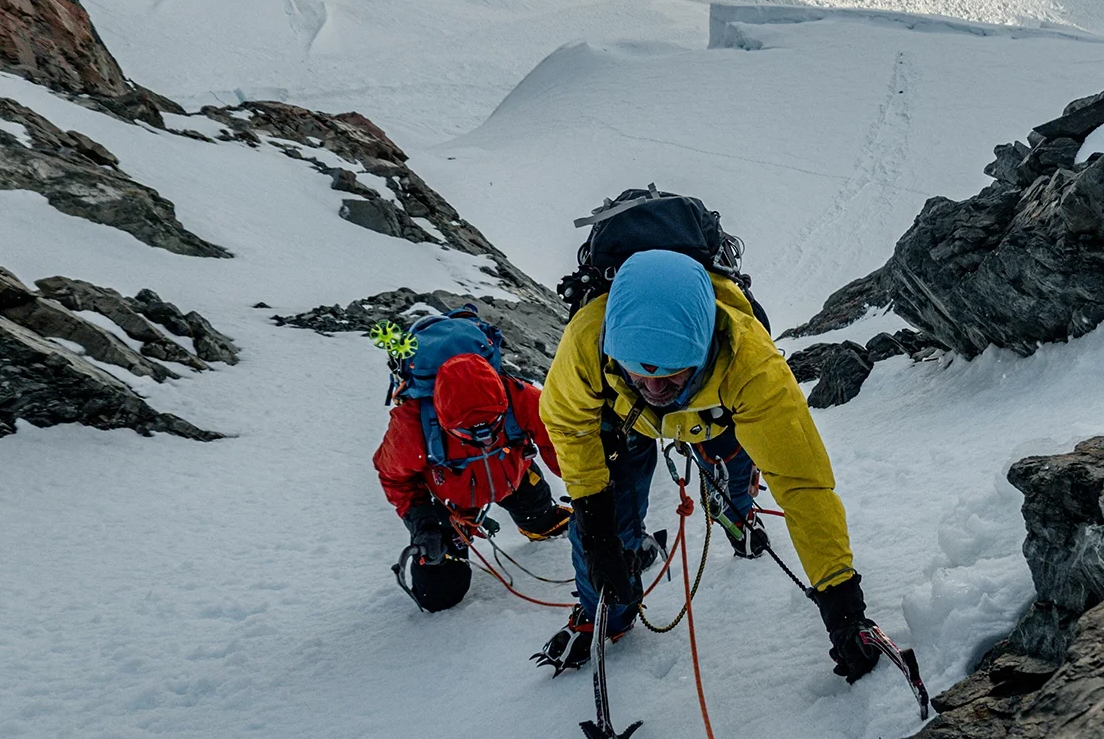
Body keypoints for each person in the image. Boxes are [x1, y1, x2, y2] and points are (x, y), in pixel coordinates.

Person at [534, 248, 884, 678]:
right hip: (624, 421)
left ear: (704, 349)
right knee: (608, 527)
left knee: (733, 469)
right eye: (639, 373)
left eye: (670, 374)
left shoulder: (751, 363)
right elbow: (569, 425)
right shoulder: (588, 340)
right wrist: (595, 525)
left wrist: (842, 604)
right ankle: (603, 612)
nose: (654, 388)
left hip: (713, 411)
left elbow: (802, 484)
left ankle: (736, 511)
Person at [374, 348, 567, 612]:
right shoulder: (412, 426)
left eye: (493, 423)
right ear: (442, 418)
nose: (485, 439)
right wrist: (424, 525)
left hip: (514, 473)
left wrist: (589, 489)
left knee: (546, 525)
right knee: (438, 596)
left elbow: (561, 444)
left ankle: (541, 518)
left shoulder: (522, 397)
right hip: (452, 503)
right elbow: (394, 477)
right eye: (468, 430)